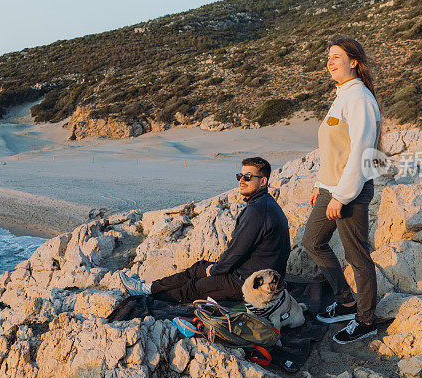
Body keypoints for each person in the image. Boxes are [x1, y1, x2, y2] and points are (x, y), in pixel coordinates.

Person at [120, 156, 291, 303]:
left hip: (249, 284)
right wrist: (213, 268)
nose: (241, 180)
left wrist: (216, 270)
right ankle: (148, 288)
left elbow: (237, 251)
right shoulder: (265, 204)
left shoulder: (257, 211)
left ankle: (146, 295)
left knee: (194, 287)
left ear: (263, 181)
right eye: (240, 176)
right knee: (197, 268)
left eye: (247, 177)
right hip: (252, 272)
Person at [302, 36, 382, 344]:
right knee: (312, 242)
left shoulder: (359, 98)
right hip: (331, 188)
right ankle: (346, 301)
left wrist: (341, 196)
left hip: (350, 191)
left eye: (337, 56)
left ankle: (366, 319)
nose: (330, 62)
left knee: (357, 255)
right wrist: (322, 186)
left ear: (354, 62)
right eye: (329, 57)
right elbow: (335, 149)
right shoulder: (342, 96)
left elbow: (361, 152)